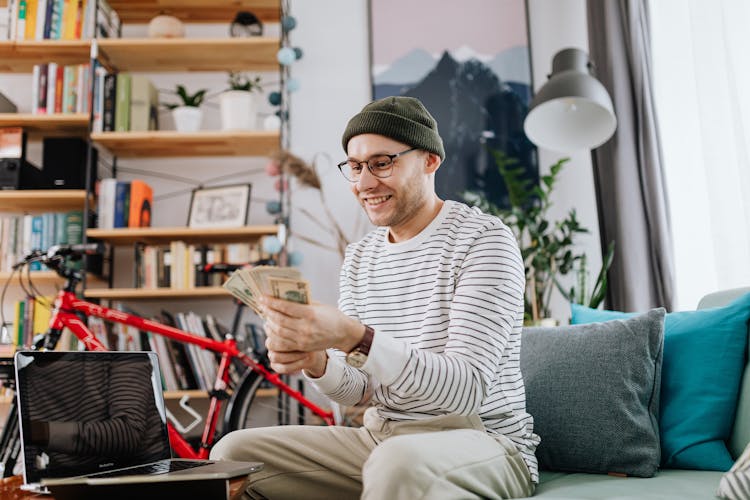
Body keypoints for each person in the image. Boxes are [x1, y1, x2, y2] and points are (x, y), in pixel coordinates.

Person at [210, 96, 540, 499]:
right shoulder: (361, 257)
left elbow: (465, 391)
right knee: (232, 455)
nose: (364, 183)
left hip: (483, 441)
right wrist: (315, 362)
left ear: (430, 160)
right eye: (355, 166)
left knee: (397, 462)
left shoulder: (483, 240)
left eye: (382, 163)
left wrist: (355, 337)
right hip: (383, 437)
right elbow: (359, 390)